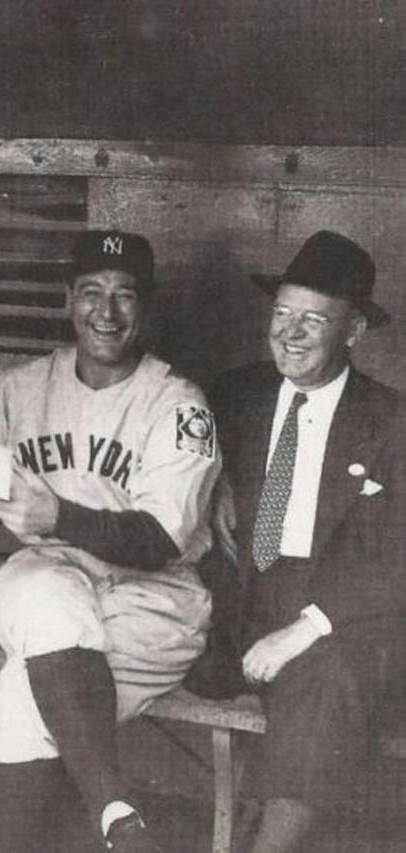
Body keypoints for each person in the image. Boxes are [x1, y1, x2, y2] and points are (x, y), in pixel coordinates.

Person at [0, 229, 220, 852]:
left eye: (124, 296)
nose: (105, 313)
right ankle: (118, 817)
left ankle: (108, 817)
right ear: (68, 299)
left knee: (25, 700)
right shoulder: (18, 389)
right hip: (48, 579)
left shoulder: (178, 405)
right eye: (91, 292)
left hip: (150, 599)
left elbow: (160, 540)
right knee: (44, 591)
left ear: (147, 307)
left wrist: (56, 516)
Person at [211, 230, 406, 852]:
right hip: (241, 603)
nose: (289, 334)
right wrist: (211, 483)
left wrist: (307, 627)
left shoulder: (391, 420)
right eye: (281, 315)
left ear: (353, 333)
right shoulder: (234, 397)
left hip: (338, 617)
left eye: (312, 320)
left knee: (325, 684)